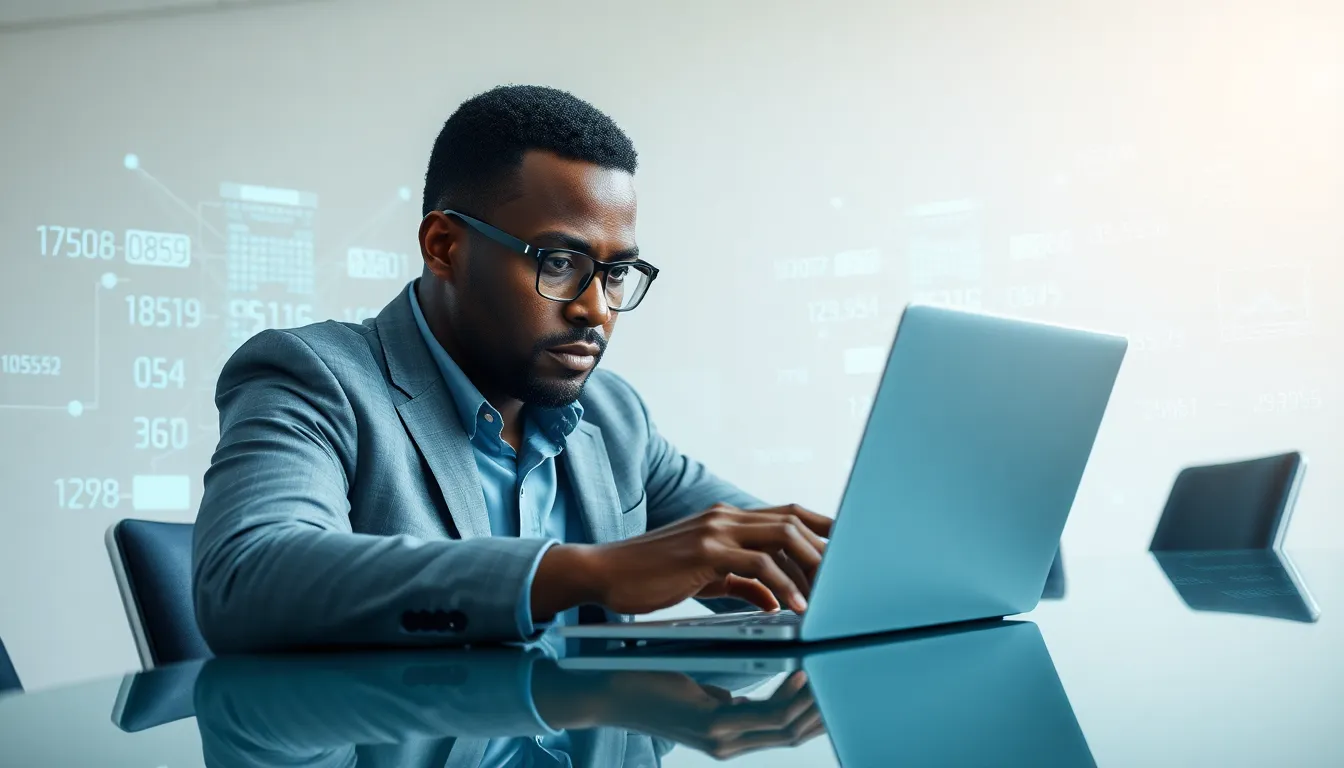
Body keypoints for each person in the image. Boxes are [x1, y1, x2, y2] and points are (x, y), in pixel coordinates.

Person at [193, 84, 831, 652]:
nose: (595, 309)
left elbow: (774, 568)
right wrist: (588, 571)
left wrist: (861, 568)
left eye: (616, 274)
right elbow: (245, 579)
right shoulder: (315, 377)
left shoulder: (614, 416)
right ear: (445, 247)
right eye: (558, 262)